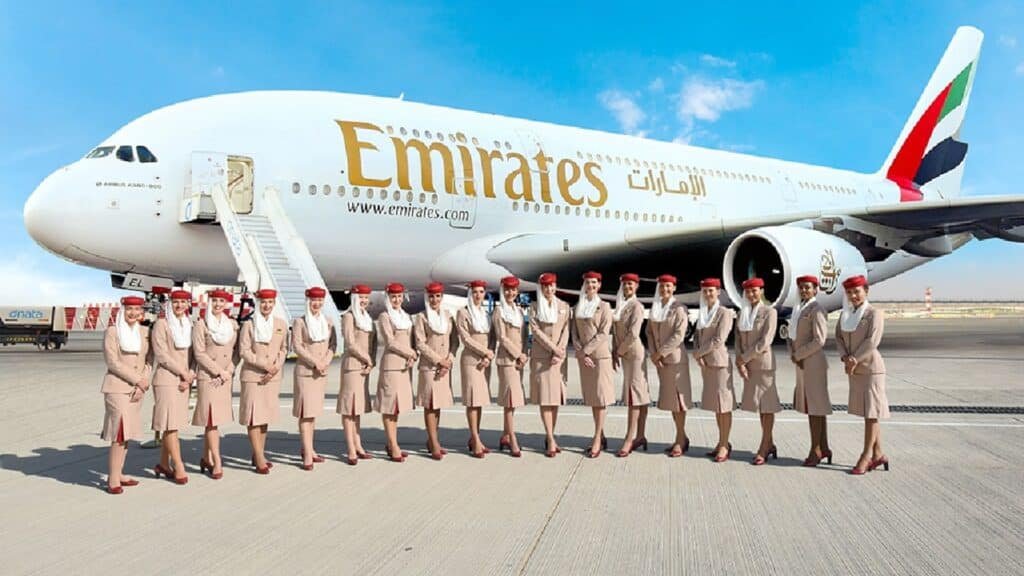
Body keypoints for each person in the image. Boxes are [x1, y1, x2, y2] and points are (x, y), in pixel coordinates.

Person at [836, 275, 890, 475]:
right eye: (849, 292)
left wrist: (853, 359)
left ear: (866, 291)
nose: (853, 296)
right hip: (855, 370)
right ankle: (878, 454)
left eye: (857, 291)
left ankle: (866, 456)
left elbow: (872, 341)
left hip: (871, 369)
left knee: (871, 413)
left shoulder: (874, 314)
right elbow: (839, 337)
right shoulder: (846, 315)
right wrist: (845, 357)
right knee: (869, 413)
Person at [101, 295, 152, 494]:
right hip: (117, 387)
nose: (133, 313)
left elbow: (149, 360)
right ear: (123, 310)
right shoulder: (113, 332)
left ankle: (119, 472)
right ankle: (113, 478)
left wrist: (143, 383)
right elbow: (112, 362)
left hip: (137, 389)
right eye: (129, 309)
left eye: (137, 309)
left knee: (127, 432)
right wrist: (137, 380)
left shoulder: (145, 332)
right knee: (119, 432)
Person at [238, 289, 287, 474]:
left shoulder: (280, 324)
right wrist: (264, 365)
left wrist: (275, 367)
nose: (267, 305)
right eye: (263, 302)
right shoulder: (249, 324)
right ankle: (259, 458)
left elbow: (284, 349)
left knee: (265, 417)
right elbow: (244, 351)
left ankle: (259, 453)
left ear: (274, 304)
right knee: (253, 417)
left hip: (272, 378)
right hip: (253, 376)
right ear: (258, 304)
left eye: (270, 302)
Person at [734, 278, 782, 465]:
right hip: (748, 365)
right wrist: (740, 363)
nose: (751, 294)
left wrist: (744, 358)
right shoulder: (742, 313)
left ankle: (764, 446)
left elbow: (765, 341)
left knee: (767, 406)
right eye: (748, 291)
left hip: (763, 366)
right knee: (760, 407)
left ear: (761, 291)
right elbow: (738, 340)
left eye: (755, 290)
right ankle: (769, 443)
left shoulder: (769, 312)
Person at [192, 289, 238, 480]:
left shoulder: (232, 325)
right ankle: (217, 461)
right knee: (211, 420)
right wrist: (219, 371)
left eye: (221, 301)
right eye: (215, 300)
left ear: (226, 304)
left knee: (214, 420)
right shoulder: (201, 325)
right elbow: (199, 353)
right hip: (209, 377)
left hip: (225, 378)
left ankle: (206, 458)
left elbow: (236, 352)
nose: (218, 304)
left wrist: (228, 372)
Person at [150, 290, 194, 484]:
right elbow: (161, 355)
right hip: (166, 379)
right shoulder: (162, 324)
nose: (179, 306)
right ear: (170, 304)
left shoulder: (189, 324)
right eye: (176, 302)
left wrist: (190, 374)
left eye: (183, 302)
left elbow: (194, 354)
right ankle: (179, 466)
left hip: (183, 380)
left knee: (173, 424)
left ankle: (163, 464)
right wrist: (183, 373)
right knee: (170, 425)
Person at [789, 275, 833, 467]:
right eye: (801, 287)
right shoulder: (799, 309)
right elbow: (793, 336)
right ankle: (823, 447)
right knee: (814, 407)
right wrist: (794, 354)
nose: (804, 290)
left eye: (808, 287)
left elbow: (819, 339)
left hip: (813, 363)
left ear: (816, 289)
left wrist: (798, 354)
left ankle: (815, 450)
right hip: (802, 362)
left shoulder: (817, 309)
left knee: (815, 408)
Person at [292, 286, 337, 471]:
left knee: (313, 413)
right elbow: (297, 346)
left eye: (319, 301)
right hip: (306, 372)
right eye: (313, 300)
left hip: (320, 373)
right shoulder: (300, 322)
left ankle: (309, 449)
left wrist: (325, 361)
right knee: (305, 414)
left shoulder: (328, 322)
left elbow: (333, 345)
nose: (316, 304)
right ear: (308, 301)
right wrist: (315, 362)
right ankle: (307, 454)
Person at [647, 274, 693, 457]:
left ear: (674, 288)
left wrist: (660, 353)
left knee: (679, 402)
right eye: (662, 286)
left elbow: (678, 336)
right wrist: (654, 354)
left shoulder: (679, 309)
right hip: (661, 362)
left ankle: (681, 439)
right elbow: (649, 332)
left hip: (675, 361)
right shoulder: (656, 308)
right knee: (671, 402)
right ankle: (681, 437)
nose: (665, 289)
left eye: (668, 286)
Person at [413, 282, 459, 460]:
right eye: (431, 296)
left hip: (444, 367)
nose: (434, 300)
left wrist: (449, 361)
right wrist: (439, 361)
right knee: (430, 405)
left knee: (437, 405)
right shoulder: (422, 317)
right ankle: (434, 443)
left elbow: (454, 342)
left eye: (438, 296)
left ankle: (433, 440)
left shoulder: (447, 316)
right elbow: (420, 343)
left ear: (442, 297)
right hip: (429, 368)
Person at [693, 278, 736, 463]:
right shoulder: (703, 313)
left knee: (723, 406)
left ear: (718, 292)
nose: (708, 294)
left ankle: (725, 444)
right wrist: (698, 354)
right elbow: (697, 336)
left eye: (711, 290)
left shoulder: (724, 313)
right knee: (716, 406)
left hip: (719, 364)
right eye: (705, 291)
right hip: (706, 364)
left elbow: (719, 339)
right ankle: (721, 442)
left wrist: (698, 353)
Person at [571, 271, 613, 458]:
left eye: (594, 283)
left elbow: (604, 333)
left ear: (599, 285)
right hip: (585, 359)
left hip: (600, 358)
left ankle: (597, 438)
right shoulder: (578, 307)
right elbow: (574, 333)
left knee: (600, 399)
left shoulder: (604, 306)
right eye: (588, 282)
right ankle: (601, 435)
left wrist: (585, 351)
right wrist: (581, 352)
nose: (591, 286)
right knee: (592, 399)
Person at [529, 272, 570, 457]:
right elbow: (536, 331)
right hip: (542, 358)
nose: (549, 289)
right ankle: (550, 438)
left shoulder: (564, 306)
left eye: (552, 285)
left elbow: (566, 330)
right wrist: (554, 349)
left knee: (555, 400)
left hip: (558, 359)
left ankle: (550, 435)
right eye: (545, 286)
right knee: (545, 399)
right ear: (541, 288)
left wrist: (560, 351)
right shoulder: (534, 307)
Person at [377, 283, 417, 462]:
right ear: (388, 298)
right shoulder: (385, 316)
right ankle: (393, 445)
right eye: (393, 297)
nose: (397, 300)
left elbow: (411, 342)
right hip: (392, 366)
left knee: (397, 407)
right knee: (389, 406)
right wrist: (410, 353)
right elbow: (390, 342)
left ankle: (392, 442)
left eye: (399, 296)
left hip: (404, 367)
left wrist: (413, 357)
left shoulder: (406, 317)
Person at [456, 280, 496, 458]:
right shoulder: (463, 313)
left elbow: (492, 338)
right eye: (475, 292)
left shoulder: (486, 314)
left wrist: (489, 356)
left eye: (481, 292)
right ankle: (475, 438)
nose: (478, 295)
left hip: (485, 362)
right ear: (470, 294)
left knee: (479, 402)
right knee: (472, 401)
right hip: (471, 361)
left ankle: (475, 437)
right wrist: (485, 352)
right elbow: (466, 339)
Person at [338, 284, 377, 465]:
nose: (364, 301)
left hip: (364, 368)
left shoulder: (367, 318)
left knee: (357, 408)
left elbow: (373, 343)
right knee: (349, 409)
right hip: (353, 367)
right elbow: (350, 343)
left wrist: (371, 361)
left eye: (366, 298)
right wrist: (367, 359)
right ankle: (351, 448)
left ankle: (358, 444)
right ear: (354, 298)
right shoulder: (349, 317)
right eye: (361, 297)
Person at [612, 273, 650, 457]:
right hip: (625, 353)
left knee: (634, 397)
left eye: (631, 284)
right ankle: (640, 436)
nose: (627, 287)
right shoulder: (621, 305)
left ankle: (629, 438)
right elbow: (615, 332)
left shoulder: (636, 306)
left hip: (634, 354)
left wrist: (619, 351)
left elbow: (634, 333)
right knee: (639, 395)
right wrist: (615, 351)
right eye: (625, 284)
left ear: (636, 287)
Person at [492, 276, 528, 457]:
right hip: (507, 360)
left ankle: (505, 435)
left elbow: (524, 335)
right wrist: (518, 354)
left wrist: (525, 354)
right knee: (509, 400)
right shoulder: (499, 311)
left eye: (513, 290)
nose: (510, 293)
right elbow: (502, 337)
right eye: (507, 290)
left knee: (512, 401)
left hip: (518, 361)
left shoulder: (518, 311)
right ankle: (512, 438)